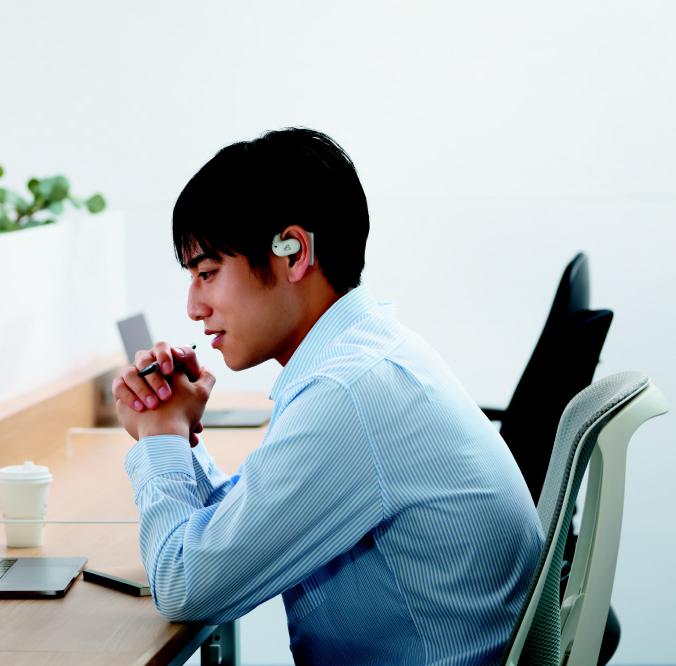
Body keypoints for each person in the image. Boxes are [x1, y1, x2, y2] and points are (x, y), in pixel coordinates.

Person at [112, 128, 543, 664]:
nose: (193, 306)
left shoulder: (348, 395)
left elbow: (186, 585)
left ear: (293, 253)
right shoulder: (365, 356)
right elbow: (244, 526)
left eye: (208, 272)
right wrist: (175, 432)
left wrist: (159, 437)